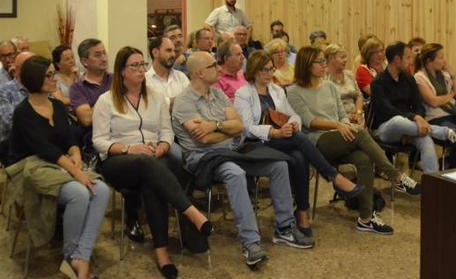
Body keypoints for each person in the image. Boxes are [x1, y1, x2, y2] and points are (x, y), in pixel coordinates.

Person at [172, 51, 313, 267]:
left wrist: (215, 125)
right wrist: (225, 129)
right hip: (205, 157)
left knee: (279, 164)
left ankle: (284, 228)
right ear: (200, 72)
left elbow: (239, 127)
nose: (219, 69)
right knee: (235, 173)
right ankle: (251, 243)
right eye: (213, 66)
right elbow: (203, 140)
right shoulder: (184, 102)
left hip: (234, 150)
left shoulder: (218, 95)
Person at [93, 47, 213, 279]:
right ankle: (190, 212)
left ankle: (162, 253)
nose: (141, 70)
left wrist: (163, 147)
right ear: (121, 72)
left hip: (152, 159)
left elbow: (167, 132)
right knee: (144, 163)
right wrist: (129, 148)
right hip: (118, 162)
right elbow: (99, 141)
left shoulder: (156, 97)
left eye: (142, 64)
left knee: (152, 181)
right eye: (134, 66)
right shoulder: (105, 101)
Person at [287, 46, 420, 236]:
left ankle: (366, 218)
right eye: (320, 62)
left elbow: (342, 114)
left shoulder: (329, 86)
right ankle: (396, 176)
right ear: (307, 65)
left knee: (364, 159)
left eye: (324, 61)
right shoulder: (294, 91)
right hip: (316, 142)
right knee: (361, 133)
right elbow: (310, 122)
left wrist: (344, 124)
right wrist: (340, 126)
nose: (324, 65)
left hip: (342, 136)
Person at [234, 50, 363, 235]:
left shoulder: (276, 90)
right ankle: (333, 177)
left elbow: (293, 115)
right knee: (300, 140)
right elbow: (246, 127)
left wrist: (292, 126)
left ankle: (302, 212)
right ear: (254, 70)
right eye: (264, 70)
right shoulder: (243, 93)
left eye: (271, 69)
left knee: (299, 155)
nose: (269, 74)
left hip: (281, 139)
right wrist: (275, 132)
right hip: (255, 143)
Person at [10, 55, 109, 279]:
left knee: (101, 190)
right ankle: (70, 255)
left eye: (53, 73)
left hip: (58, 163)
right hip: (30, 166)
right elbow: (43, 149)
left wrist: (75, 153)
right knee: (79, 193)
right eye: (49, 75)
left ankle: (80, 256)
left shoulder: (55, 104)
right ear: (35, 79)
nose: (55, 78)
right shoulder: (23, 112)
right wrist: (76, 172)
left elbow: (68, 138)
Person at [370, 42, 456, 174]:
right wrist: (415, 117)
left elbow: (419, 105)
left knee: (426, 140)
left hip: (411, 127)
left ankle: (434, 182)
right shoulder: (378, 83)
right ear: (397, 59)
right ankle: (444, 132)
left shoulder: (408, 78)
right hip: (386, 129)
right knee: (397, 120)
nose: (411, 60)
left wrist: (417, 118)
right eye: (407, 57)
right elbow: (387, 111)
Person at [0, 51, 32, 204]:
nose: (8, 58)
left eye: (11, 54)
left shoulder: (41, 86)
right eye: (4, 55)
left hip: (33, 134)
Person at [70, 38, 111, 129]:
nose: (104, 59)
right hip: (96, 136)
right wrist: (113, 101)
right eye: (98, 55)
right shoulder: (77, 88)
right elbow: (87, 119)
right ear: (85, 61)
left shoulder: (116, 79)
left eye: (104, 53)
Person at [324, 43, 365, 125]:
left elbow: (359, 96)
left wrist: (358, 113)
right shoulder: (324, 78)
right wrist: (345, 117)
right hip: (335, 120)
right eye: (342, 57)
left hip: (355, 117)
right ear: (331, 58)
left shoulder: (349, 75)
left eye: (345, 57)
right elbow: (326, 105)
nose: (346, 60)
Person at [145, 36, 190, 104]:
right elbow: (152, 107)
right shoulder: (145, 80)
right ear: (155, 53)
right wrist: (179, 101)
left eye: (174, 51)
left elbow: (191, 101)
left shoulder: (181, 77)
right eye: (168, 50)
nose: (173, 54)